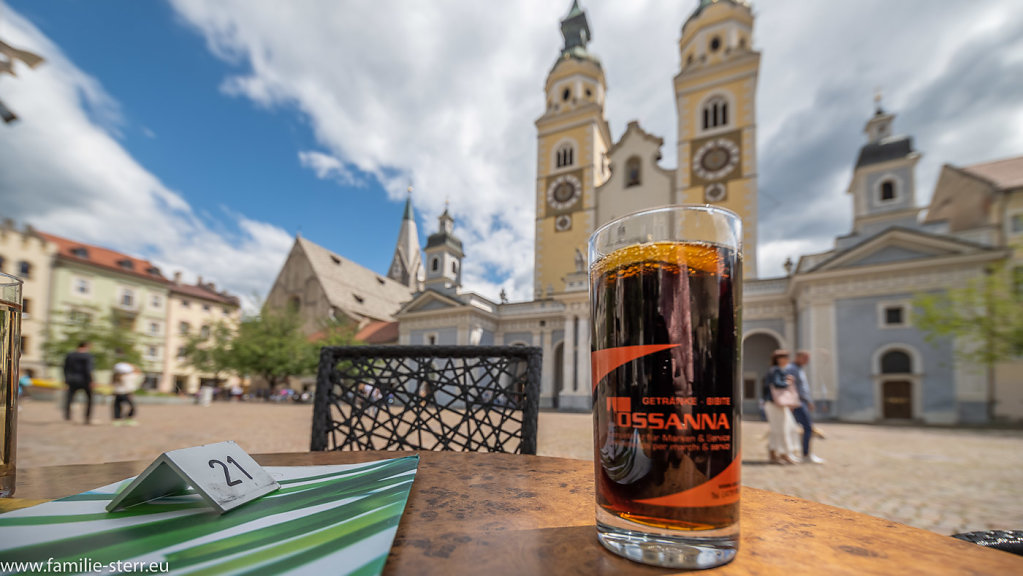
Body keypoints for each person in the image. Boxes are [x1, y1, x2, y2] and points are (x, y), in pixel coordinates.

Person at [762, 350, 799, 465]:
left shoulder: (775, 370)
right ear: (779, 359)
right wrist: (787, 382)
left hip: (774, 403)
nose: (787, 360)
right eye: (786, 358)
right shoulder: (776, 370)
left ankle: (774, 453)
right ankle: (784, 454)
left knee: (777, 429)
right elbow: (777, 384)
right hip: (775, 404)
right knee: (783, 429)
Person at [787, 351, 824, 464]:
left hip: (802, 401)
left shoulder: (799, 369)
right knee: (807, 427)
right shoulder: (792, 369)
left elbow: (803, 388)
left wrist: (809, 401)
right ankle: (806, 454)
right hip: (797, 402)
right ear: (798, 357)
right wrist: (792, 402)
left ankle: (799, 453)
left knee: (798, 428)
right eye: (805, 358)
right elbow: (792, 387)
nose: (807, 361)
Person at [63, 341, 94, 424]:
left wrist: (66, 379)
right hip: (85, 380)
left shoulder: (70, 355)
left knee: (70, 398)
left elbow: (65, 368)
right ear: (86, 346)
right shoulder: (87, 356)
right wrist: (91, 380)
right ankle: (87, 417)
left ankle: (68, 415)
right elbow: (88, 369)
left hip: (72, 380)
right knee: (89, 399)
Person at [111, 361, 139, 426]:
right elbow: (137, 372)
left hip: (117, 393)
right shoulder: (128, 376)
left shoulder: (114, 376)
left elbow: (113, 385)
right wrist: (131, 366)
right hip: (126, 393)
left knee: (117, 407)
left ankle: (117, 420)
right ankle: (128, 418)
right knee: (132, 407)